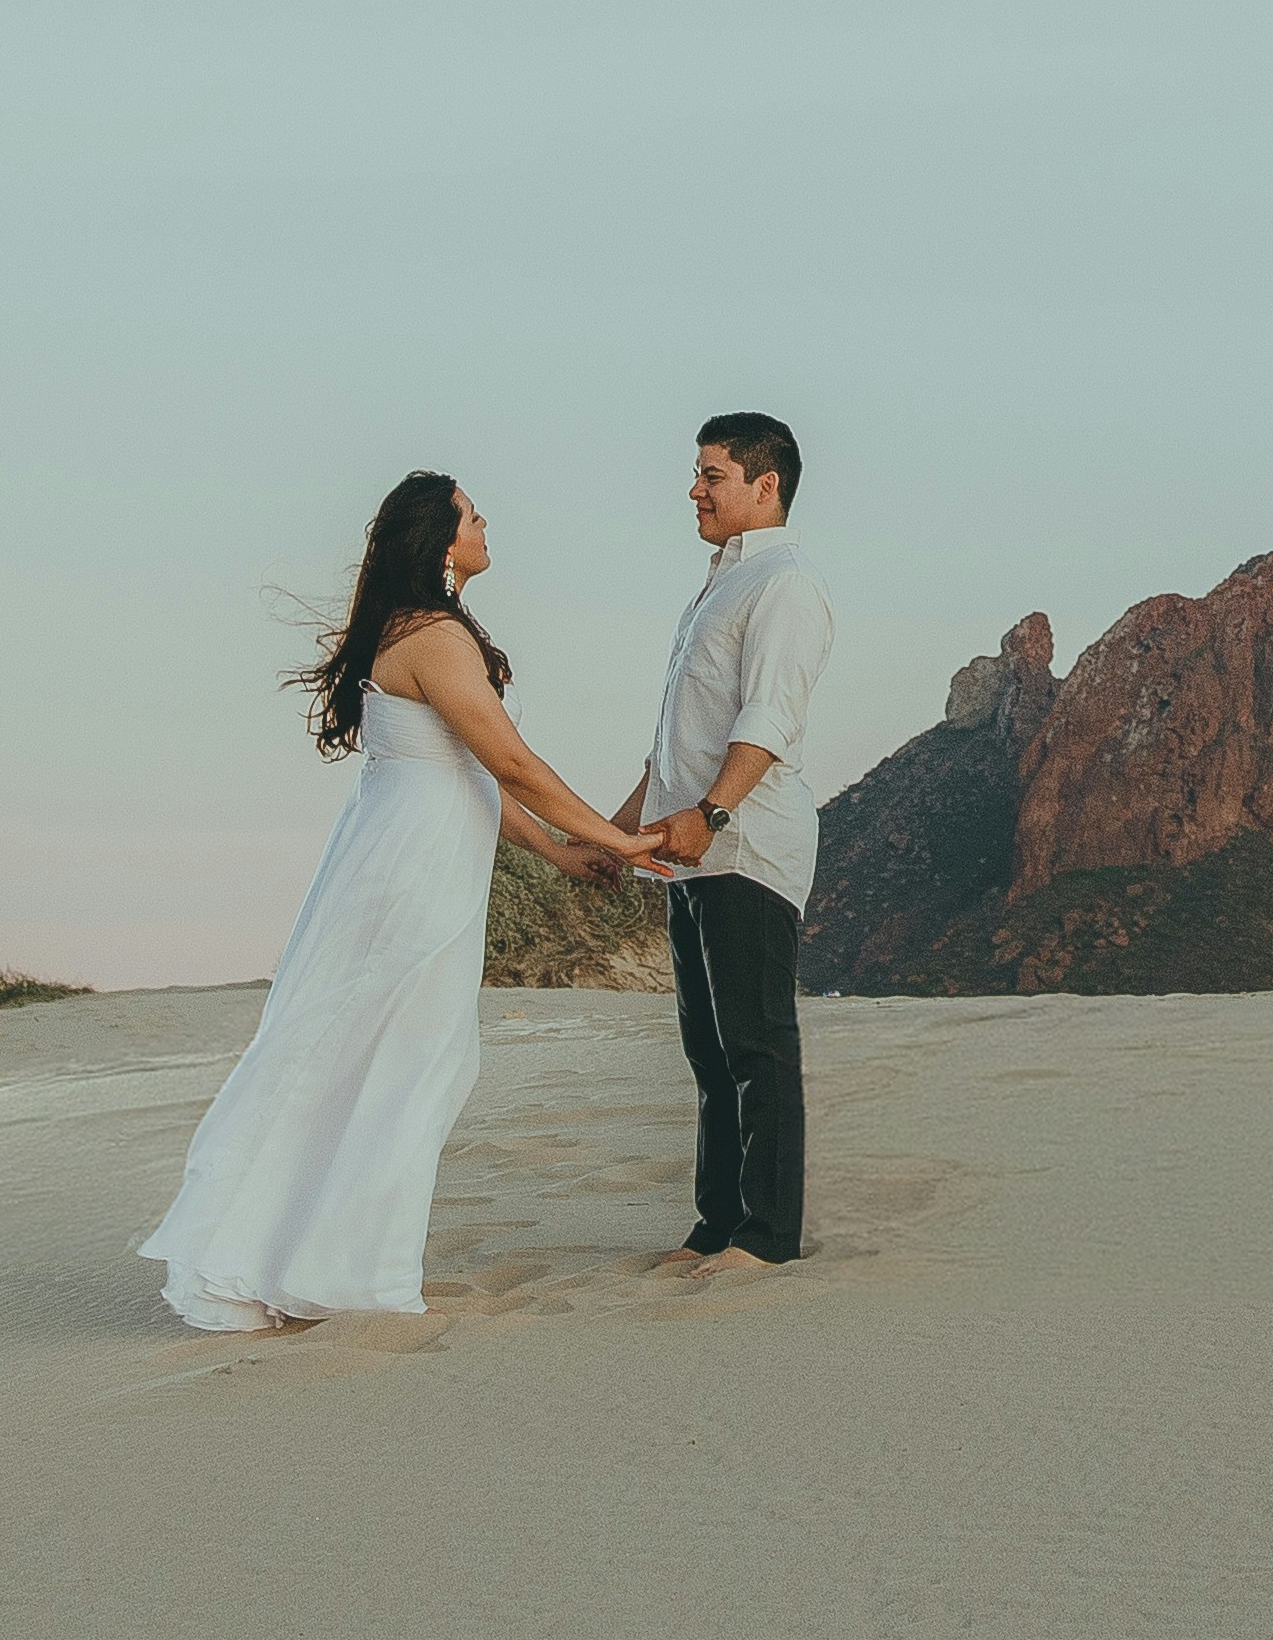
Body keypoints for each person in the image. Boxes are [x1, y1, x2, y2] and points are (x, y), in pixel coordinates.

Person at [140, 470, 655, 1331]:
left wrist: (563, 853)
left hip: (417, 855)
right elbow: (510, 764)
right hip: (409, 873)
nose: (488, 524)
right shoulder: (432, 636)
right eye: (473, 515)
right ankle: (346, 1279)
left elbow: (470, 784)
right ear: (441, 539)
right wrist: (620, 838)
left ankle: (322, 1266)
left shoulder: (426, 628)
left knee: (403, 1063)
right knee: (400, 1064)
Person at [616, 411, 835, 1277]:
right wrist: (620, 833)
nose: (695, 490)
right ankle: (715, 1226)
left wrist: (708, 816)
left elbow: (767, 721)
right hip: (686, 851)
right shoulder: (717, 585)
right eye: (699, 474)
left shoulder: (785, 584)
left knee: (756, 1046)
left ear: (765, 484)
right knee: (708, 1052)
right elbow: (674, 739)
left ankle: (767, 1239)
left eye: (712, 475)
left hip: (746, 848)